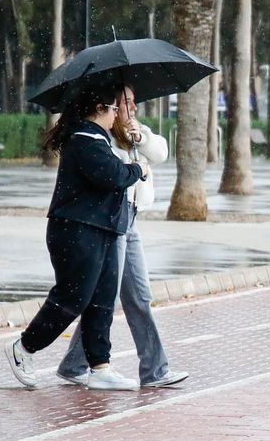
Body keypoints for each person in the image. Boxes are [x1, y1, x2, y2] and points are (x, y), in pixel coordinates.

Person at [5, 81, 146, 392]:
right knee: (73, 297)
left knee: (102, 300)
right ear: (99, 110)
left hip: (103, 229)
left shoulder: (100, 138)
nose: (115, 116)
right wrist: (137, 169)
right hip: (76, 230)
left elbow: (115, 170)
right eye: (112, 110)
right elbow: (113, 176)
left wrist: (135, 147)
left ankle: (100, 366)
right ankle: (24, 348)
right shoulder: (84, 140)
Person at [57, 86, 188, 389]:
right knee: (107, 297)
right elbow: (113, 174)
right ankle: (82, 363)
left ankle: (152, 370)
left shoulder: (135, 132)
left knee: (138, 296)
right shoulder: (101, 138)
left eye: (132, 102)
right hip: (112, 222)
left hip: (132, 221)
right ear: (110, 108)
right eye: (124, 103)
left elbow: (160, 153)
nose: (131, 108)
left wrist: (138, 137)